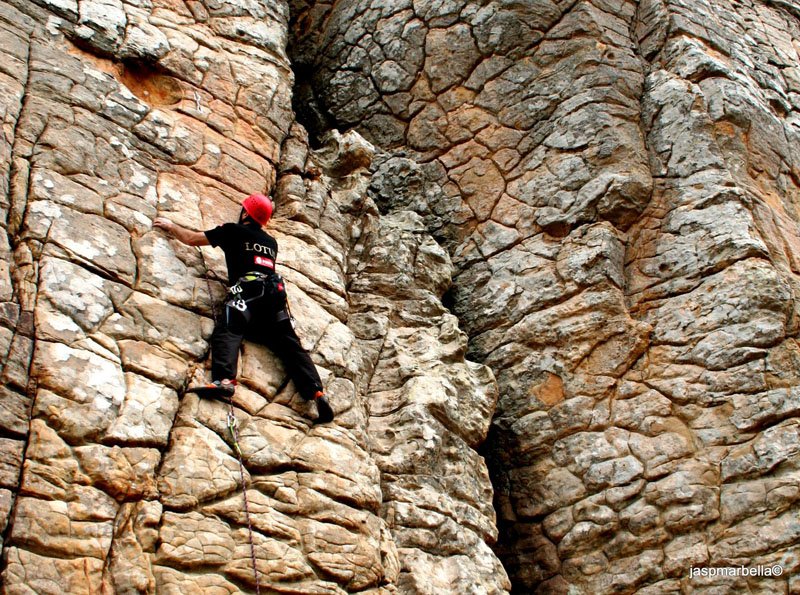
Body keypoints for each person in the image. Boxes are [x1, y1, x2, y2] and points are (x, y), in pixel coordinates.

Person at [153, 193, 334, 424]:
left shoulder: (232, 231)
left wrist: (171, 226)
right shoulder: (271, 243)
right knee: (289, 344)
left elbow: (190, 239)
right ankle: (317, 392)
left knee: (229, 328)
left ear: (246, 213)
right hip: (274, 296)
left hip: (249, 293)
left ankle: (225, 381)